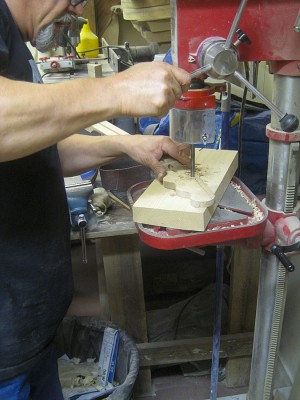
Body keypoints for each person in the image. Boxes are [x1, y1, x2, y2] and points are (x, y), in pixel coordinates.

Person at [0, 0, 191, 398]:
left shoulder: (14, 40)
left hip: (30, 327)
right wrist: (115, 90)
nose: (82, 8)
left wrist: (127, 145)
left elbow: (32, 146)